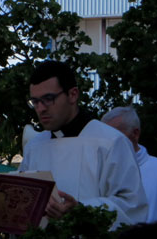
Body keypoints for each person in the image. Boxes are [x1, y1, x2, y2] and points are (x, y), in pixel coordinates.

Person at [19, 60, 148, 227]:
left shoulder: (111, 142)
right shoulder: (34, 147)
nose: (41, 108)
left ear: (73, 95)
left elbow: (133, 207)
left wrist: (81, 210)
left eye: (48, 99)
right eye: (35, 102)